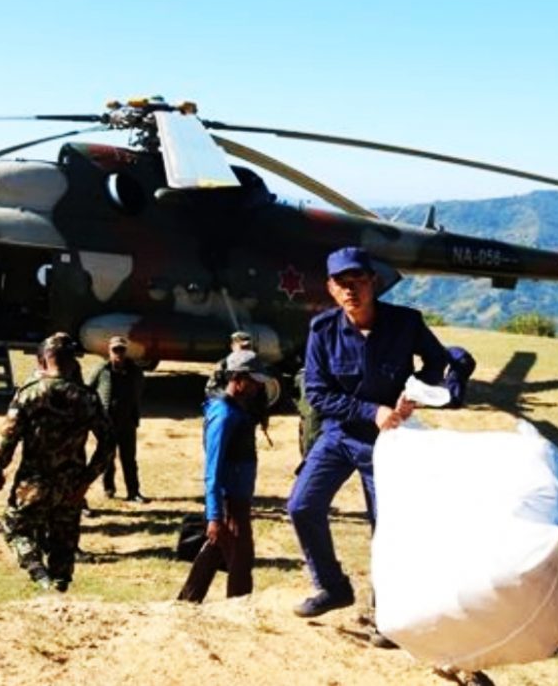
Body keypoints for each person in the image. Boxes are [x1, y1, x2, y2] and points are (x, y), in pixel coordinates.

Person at [287, 246, 448, 629]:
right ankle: (332, 587)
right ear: (330, 288)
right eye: (341, 284)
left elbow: (437, 361)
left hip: (389, 442)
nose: (350, 291)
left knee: (387, 525)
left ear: (372, 282)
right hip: (340, 435)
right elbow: (317, 392)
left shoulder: (406, 323)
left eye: (357, 281)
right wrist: (369, 411)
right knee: (302, 506)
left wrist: (414, 393)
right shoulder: (322, 331)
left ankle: (387, 613)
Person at [0, 333, 112, 591]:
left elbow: (7, 437)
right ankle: (59, 587)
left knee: (14, 527)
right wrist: (87, 480)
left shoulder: (29, 394)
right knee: (63, 543)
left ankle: (38, 574)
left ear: (42, 360)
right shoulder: (87, 398)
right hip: (71, 486)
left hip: (34, 484)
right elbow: (108, 442)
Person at [177, 349, 271, 602]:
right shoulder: (224, 416)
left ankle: (186, 602)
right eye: (253, 381)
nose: (257, 387)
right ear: (237, 379)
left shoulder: (239, 410)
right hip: (230, 502)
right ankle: (240, 610)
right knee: (241, 560)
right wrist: (215, 515)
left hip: (237, 499)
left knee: (214, 551)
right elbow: (213, 470)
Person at [86, 335, 146, 502]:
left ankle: (134, 492)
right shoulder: (101, 370)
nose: (119, 353)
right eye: (115, 350)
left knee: (129, 458)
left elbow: (139, 390)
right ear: (109, 351)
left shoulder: (134, 370)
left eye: (122, 350)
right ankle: (109, 488)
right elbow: (88, 390)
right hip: (107, 421)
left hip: (127, 421)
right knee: (107, 457)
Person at [206, 330, 271, 445]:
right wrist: (229, 402)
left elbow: (262, 394)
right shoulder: (223, 365)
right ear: (233, 346)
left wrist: (263, 417)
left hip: (248, 415)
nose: (246, 348)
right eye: (242, 346)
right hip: (228, 414)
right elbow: (211, 390)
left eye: (248, 346)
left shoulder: (255, 364)